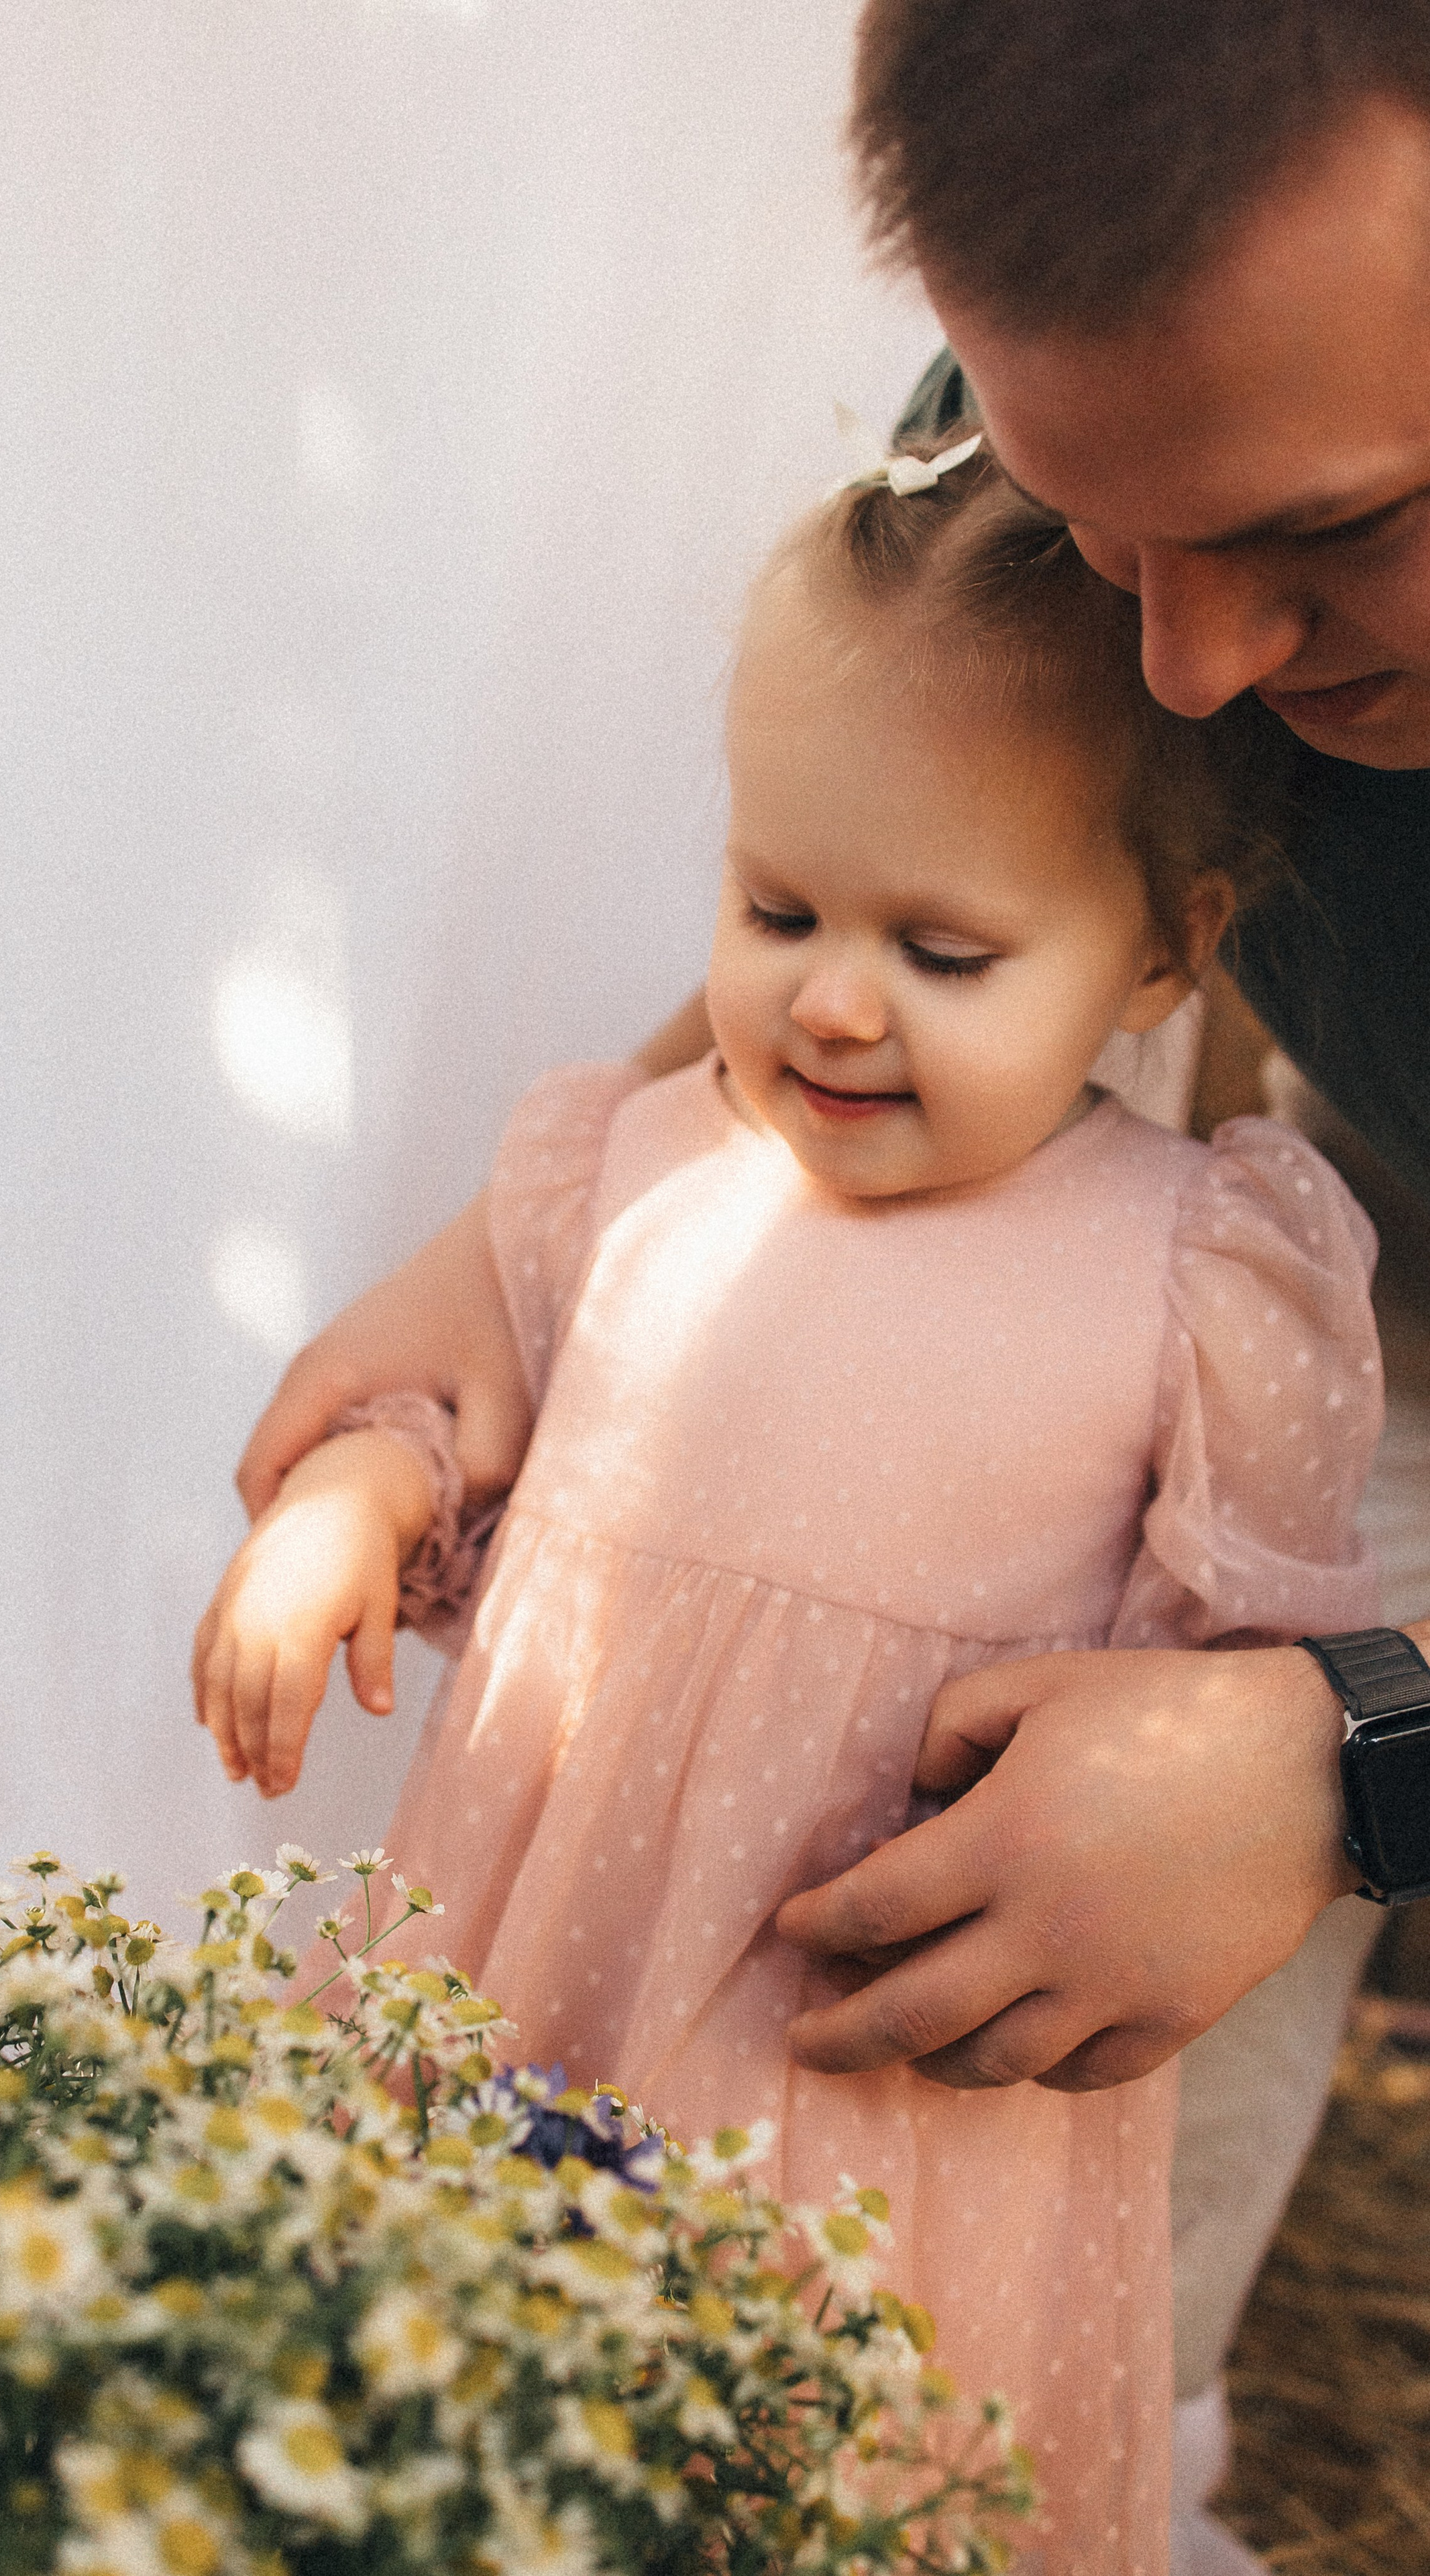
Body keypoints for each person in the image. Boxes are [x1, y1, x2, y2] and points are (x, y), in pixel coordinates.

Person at [193, 441, 1384, 2576]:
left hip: (887, 2108)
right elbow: (496, 1448)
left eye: (943, 948)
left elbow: (1237, 1691)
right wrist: (364, 1499)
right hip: (541, 1970)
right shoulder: (633, 1168)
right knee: (437, 2447)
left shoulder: (1205, 1279)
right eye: (776, 909)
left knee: (820, 2488)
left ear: (1158, 958)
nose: (831, 998)